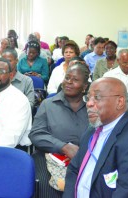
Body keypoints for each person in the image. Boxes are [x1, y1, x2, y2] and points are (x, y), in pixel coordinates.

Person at [63, 77, 128, 198]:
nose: (89, 103)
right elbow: (74, 170)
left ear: (119, 102)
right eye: (88, 98)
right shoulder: (91, 131)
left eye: (97, 97)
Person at [29, 62, 90, 198]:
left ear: (84, 87)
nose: (69, 82)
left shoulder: (92, 108)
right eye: (67, 78)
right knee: (46, 185)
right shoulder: (48, 104)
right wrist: (63, 147)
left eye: (75, 80)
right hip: (48, 156)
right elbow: (36, 134)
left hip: (84, 158)